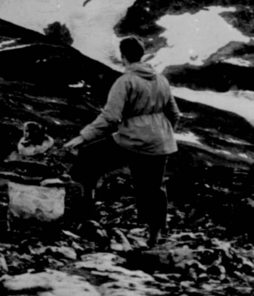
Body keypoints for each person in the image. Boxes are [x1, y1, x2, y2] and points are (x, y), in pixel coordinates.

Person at [61, 36, 181, 246]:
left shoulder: (125, 81)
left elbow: (110, 117)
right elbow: (175, 114)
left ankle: (86, 208)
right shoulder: (161, 79)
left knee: (89, 156)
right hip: (160, 141)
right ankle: (156, 233)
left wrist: (82, 137)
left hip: (132, 139)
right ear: (141, 54)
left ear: (123, 55)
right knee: (153, 186)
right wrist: (162, 134)